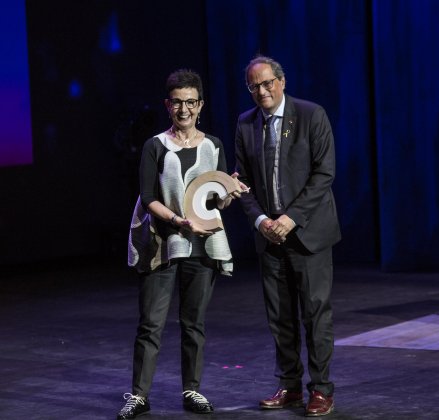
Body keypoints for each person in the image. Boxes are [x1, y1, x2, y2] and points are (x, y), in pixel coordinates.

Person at [119, 69, 243, 419]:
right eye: (177, 102)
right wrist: (177, 222)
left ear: (200, 105)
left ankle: (193, 389)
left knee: (194, 322)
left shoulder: (213, 145)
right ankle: (139, 395)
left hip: (203, 246)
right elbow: (147, 198)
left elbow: (215, 200)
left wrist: (228, 193)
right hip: (164, 243)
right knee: (151, 323)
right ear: (167, 105)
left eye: (190, 102)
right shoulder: (155, 145)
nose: (184, 109)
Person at [234, 55, 341, 417]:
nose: (261, 91)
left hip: (307, 234)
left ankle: (321, 389)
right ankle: (290, 386)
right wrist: (262, 220)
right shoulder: (246, 124)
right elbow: (241, 183)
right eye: (254, 86)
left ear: (281, 81)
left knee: (315, 315)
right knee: (280, 317)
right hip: (269, 238)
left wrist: (291, 218)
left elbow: (324, 174)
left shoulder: (312, 115)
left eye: (267, 83)